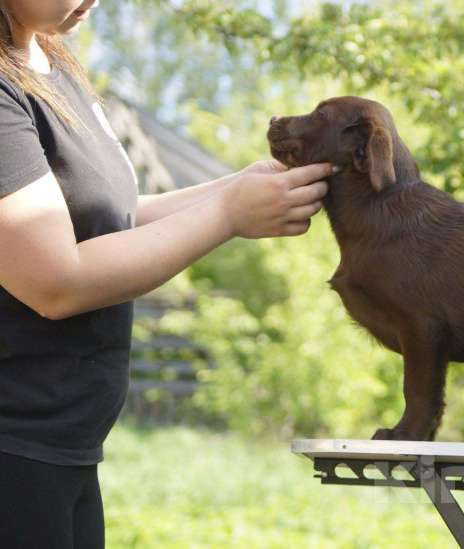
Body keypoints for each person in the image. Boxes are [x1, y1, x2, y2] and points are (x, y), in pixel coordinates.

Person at [0, 2, 334, 547]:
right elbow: (53, 281)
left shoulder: (51, 62)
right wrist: (228, 215)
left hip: (65, 449)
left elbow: (111, 219)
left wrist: (231, 188)